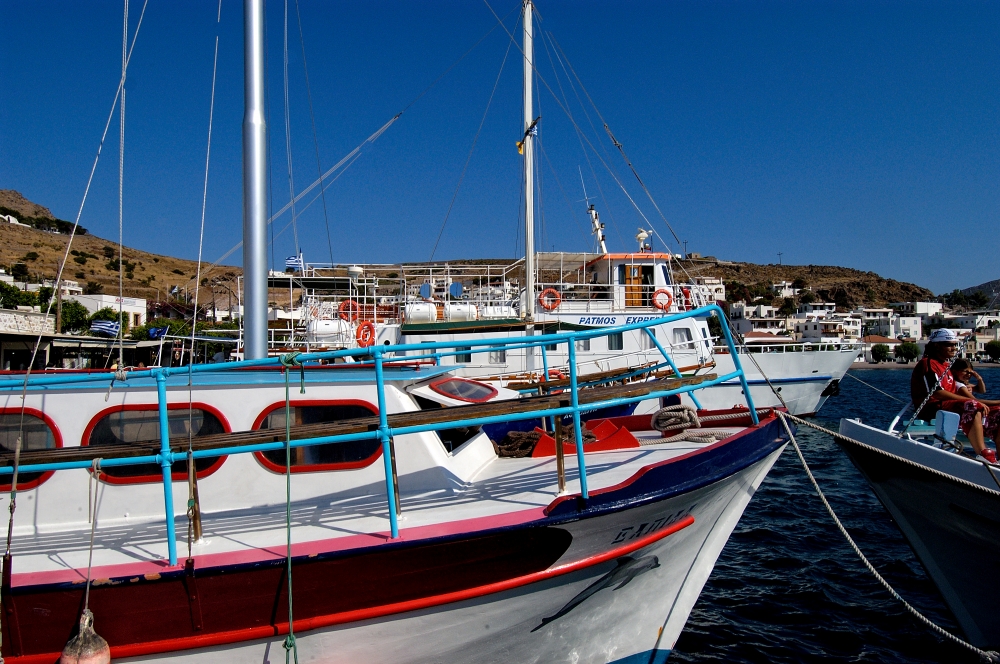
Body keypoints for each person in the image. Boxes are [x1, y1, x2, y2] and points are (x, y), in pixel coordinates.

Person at [911, 329, 999, 463]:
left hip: (950, 406)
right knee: (973, 405)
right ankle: (982, 453)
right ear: (937, 346)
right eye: (949, 345)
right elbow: (937, 392)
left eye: (955, 345)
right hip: (933, 408)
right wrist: (970, 400)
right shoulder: (928, 363)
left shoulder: (947, 366)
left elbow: (966, 389)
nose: (954, 348)